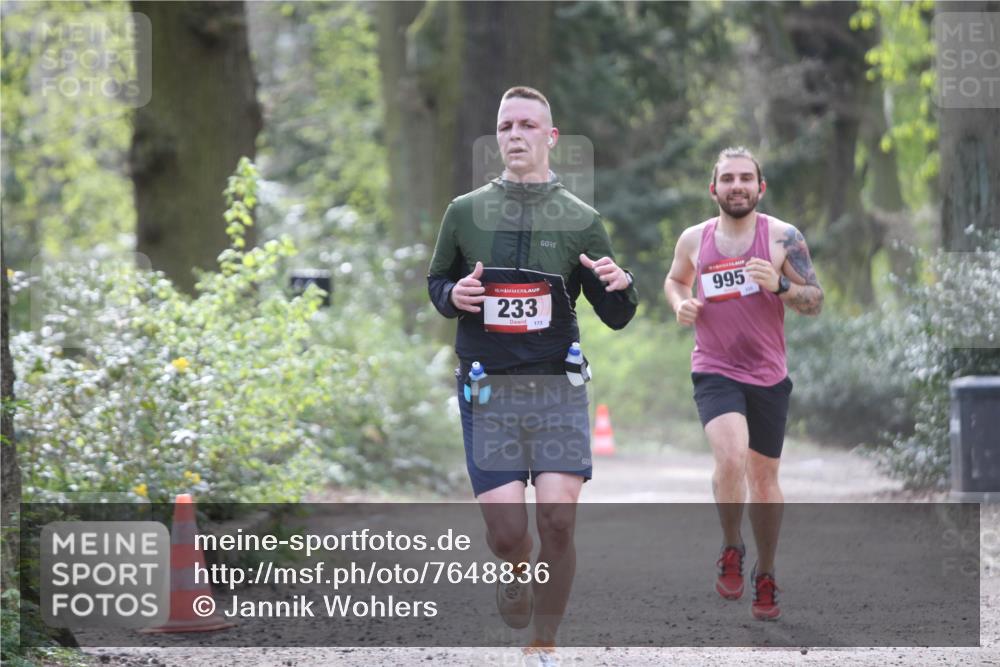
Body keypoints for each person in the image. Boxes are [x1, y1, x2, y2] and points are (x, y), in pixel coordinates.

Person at [428, 86, 637, 660]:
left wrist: (623, 286)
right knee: (508, 535)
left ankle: (543, 642)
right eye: (505, 126)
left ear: (550, 138)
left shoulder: (581, 219)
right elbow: (437, 284)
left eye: (526, 125)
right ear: (496, 136)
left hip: (557, 387)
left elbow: (615, 313)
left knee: (558, 521)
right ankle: (515, 568)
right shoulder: (464, 211)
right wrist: (456, 293)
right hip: (487, 388)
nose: (514, 135)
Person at [663, 146, 823, 621]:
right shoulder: (694, 239)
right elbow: (675, 280)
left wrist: (779, 286)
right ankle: (732, 545)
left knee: (764, 478)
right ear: (714, 188)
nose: (737, 186)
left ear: (760, 187)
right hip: (714, 368)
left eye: (746, 179)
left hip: (769, 374)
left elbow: (814, 299)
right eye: (728, 179)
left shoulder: (783, 238)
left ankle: (766, 573)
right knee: (730, 455)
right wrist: (680, 303)